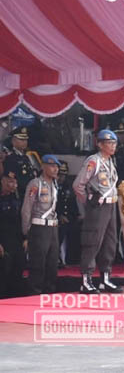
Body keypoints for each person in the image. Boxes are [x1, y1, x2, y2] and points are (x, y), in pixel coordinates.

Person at [73, 129, 123, 294]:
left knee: (110, 241)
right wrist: (88, 203)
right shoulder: (93, 161)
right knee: (93, 241)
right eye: (109, 143)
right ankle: (86, 280)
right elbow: (78, 185)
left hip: (111, 205)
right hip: (98, 206)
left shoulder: (110, 161)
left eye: (114, 143)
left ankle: (105, 279)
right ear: (100, 144)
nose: (112, 146)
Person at [22, 155, 61, 295]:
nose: (55, 169)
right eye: (52, 166)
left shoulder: (55, 185)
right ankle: (35, 293)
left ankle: (49, 293)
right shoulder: (35, 184)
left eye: (57, 166)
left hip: (52, 228)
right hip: (39, 227)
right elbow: (27, 209)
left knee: (52, 264)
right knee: (38, 264)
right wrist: (25, 233)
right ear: (43, 167)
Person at [0, 171, 27, 298]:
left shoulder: (18, 199)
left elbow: (22, 220)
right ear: (3, 182)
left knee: (18, 267)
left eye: (15, 182)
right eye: (10, 182)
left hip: (17, 240)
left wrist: (26, 238)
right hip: (3, 240)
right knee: (4, 270)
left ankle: (14, 298)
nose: (13, 185)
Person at [4, 126, 38, 198]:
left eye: (25, 140)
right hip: (19, 195)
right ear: (13, 141)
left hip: (31, 193)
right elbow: (12, 178)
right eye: (21, 140)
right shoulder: (10, 157)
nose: (24, 142)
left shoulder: (26, 156)